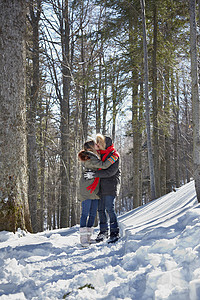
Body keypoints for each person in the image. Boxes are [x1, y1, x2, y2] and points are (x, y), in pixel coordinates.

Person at [78, 139, 119, 247]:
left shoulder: (95, 156)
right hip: (87, 189)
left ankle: (88, 236)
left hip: (95, 190)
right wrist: (114, 158)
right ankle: (83, 238)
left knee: (92, 214)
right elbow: (104, 165)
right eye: (95, 144)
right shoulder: (91, 157)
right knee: (85, 213)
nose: (98, 145)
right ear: (91, 148)